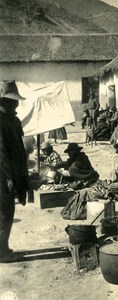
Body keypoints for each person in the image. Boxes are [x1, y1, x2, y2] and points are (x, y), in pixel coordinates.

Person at [0, 80, 29, 262]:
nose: (16, 104)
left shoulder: (13, 119)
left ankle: (3, 249)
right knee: (4, 214)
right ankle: (2, 253)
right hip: (2, 176)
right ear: (4, 102)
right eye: (12, 101)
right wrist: (10, 179)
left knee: (7, 213)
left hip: (11, 173)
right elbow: (1, 153)